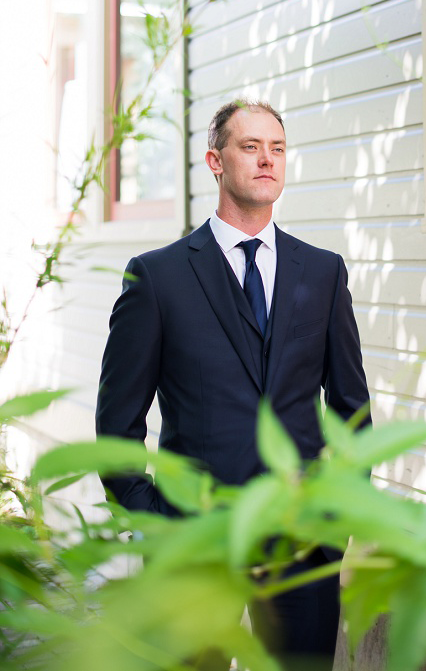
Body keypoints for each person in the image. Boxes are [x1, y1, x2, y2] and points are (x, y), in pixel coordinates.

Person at [96, 98, 371, 671]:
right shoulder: (157, 277)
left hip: (301, 544)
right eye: (251, 147)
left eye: (277, 148)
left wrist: (332, 522)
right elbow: (117, 428)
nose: (268, 160)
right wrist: (159, 524)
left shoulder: (322, 274)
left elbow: (351, 412)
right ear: (215, 162)